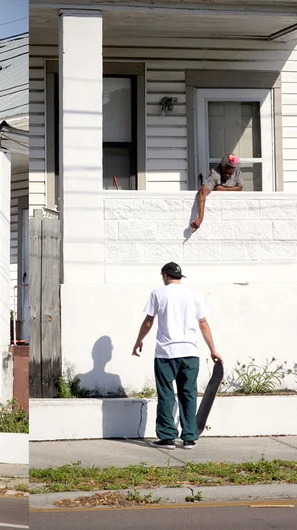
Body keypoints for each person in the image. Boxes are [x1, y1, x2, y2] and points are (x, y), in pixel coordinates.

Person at [131, 262, 222, 450]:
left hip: (166, 353)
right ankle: (189, 437)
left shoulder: (158, 293)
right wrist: (212, 349)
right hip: (190, 353)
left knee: (166, 394)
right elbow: (203, 323)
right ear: (179, 277)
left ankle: (167, 437)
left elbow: (149, 321)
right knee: (188, 393)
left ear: (165, 275)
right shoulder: (194, 294)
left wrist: (139, 340)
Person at [191, 153, 243, 231]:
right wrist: (200, 218)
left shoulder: (237, 171)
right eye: (226, 172)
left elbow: (240, 187)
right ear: (222, 167)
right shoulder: (215, 173)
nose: (228, 175)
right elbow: (202, 193)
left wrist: (223, 189)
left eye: (230, 173)